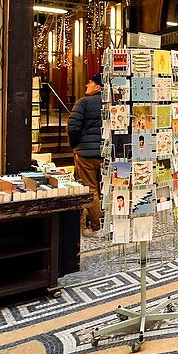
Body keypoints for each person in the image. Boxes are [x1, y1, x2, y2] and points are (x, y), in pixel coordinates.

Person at [68, 74, 104, 237]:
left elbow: (73, 127)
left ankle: (96, 227)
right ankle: (110, 223)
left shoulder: (83, 102)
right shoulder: (113, 104)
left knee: (91, 190)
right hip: (106, 153)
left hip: (86, 154)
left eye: (89, 83)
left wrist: (75, 145)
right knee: (108, 188)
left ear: (98, 87)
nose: (86, 86)